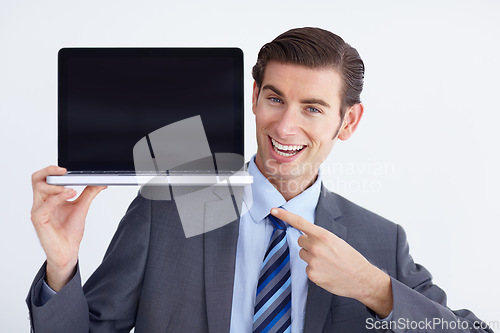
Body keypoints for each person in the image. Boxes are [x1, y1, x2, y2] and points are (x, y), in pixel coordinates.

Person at [27, 27, 493, 332]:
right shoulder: (171, 202)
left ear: (347, 122)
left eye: (312, 108)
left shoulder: (378, 241)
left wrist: (374, 288)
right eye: (275, 99)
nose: (285, 127)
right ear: (253, 98)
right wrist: (62, 266)